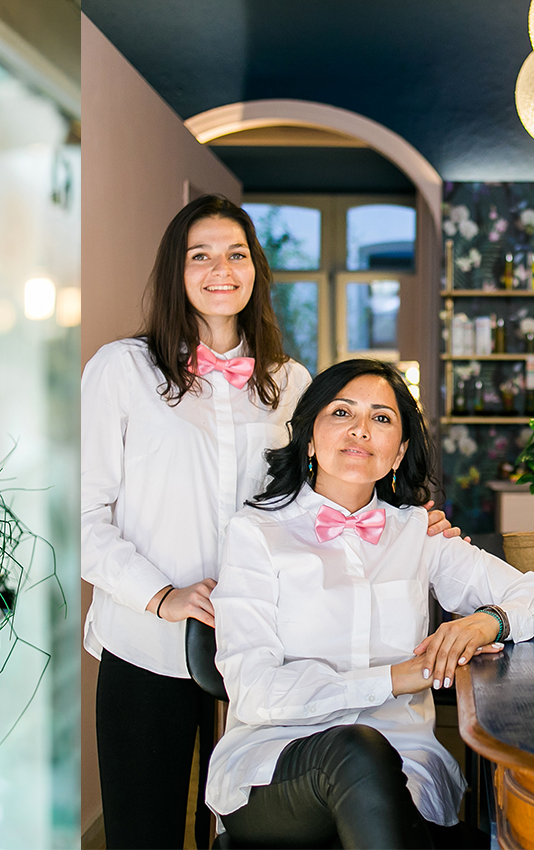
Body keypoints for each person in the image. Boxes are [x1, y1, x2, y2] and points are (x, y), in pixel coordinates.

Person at [80, 197, 461, 849]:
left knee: (255, 823)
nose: (219, 269)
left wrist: (410, 529)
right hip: (147, 644)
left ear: (256, 268)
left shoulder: (290, 382)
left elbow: (324, 501)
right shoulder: (123, 370)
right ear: (177, 270)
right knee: (141, 832)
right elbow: (83, 517)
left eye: (235, 253)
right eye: (200, 255)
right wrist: (164, 595)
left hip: (270, 647)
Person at [208, 359, 534, 848]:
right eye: (341, 413)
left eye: (381, 418)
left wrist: (486, 623)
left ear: (398, 453)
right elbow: (253, 690)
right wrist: (400, 677)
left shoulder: (418, 533)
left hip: (405, 762)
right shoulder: (255, 534)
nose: (359, 430)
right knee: (356, 750)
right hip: (275, 767)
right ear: (309, 439)